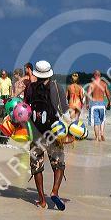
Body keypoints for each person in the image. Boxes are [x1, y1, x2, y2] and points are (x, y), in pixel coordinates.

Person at [24, 60, 69, 211]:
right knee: (59, 163)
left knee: (37, 167)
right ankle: (55, 191)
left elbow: (25, 110)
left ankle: (42, 200)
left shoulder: (30, 88)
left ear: (36, 73)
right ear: (50, 72)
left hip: (36, 132)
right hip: (54, 131)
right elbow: (65, 111)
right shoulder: (57, 87)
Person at [87, 70, 111, 142]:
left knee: (96, 122)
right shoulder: (104, 84)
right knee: (102, 120)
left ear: (94, 75)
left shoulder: (91, 84)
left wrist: (87, 104)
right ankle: (102, 133)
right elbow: (108, 94)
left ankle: (97, 137)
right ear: (100, 75)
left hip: (94, 104)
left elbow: (88, 95)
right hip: (102, 104)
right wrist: (109, 102)